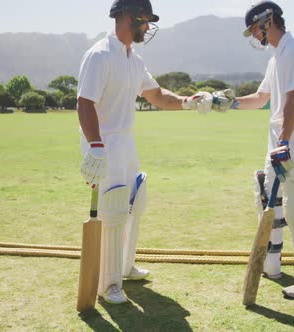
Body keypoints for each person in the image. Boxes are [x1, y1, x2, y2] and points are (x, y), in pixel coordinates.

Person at [77, 0, 220, 305]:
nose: (148, 27)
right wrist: (96, 146)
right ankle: (108, 283)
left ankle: (125, 267)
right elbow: (84, 103)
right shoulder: (99, 55)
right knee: (113, 209)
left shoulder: (133, 59)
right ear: (129, 17)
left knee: (134, 202)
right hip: (105, 143)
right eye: (145, 20)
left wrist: (187, 101)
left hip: (125, 141)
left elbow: (155, 95)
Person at [222, 1, 294, 299]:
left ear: (268, 21)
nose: (254, 35)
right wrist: (229, 102)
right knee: (268, 199)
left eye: (254, 28)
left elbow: (293, 98)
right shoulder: (276, 57)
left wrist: (285, 141)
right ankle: (272, 265)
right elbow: (262, 97)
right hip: (279, 139)